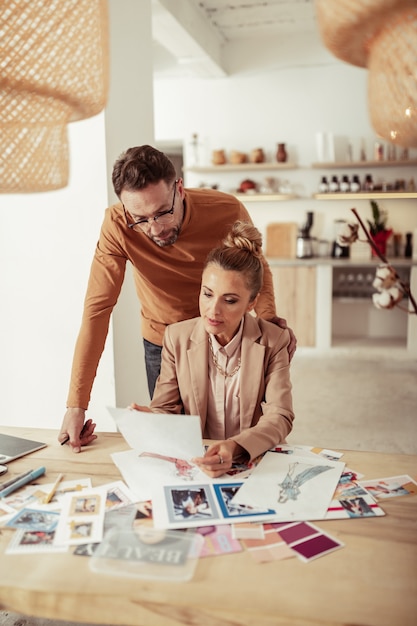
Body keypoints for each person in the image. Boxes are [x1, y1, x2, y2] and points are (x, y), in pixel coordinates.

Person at [59, 145, 296, 452]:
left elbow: (256, 268)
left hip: (228, 332)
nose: (154, 228)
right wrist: (76, 404)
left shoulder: (226, 209)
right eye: (140, 219)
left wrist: (267, 324)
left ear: (179, 189)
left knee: (243, 430)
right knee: (172, 446)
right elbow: (97, 309)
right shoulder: (117, 225)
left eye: (162, 212)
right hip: (164, 339)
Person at [132, 221, 295, 478]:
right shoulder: (176, 337)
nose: (213, 310)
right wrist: (151, 417)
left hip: (252, 460)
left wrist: (235, 446)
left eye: (229, 300)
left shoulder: (274, 340)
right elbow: (166, 408)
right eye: (207, 294)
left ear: (252, 302)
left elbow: (280, 416)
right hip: (198, 461)